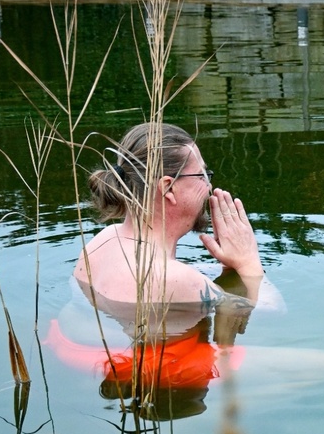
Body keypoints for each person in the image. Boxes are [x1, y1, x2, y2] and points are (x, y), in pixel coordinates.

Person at [73, 121, 265, 309]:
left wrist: (230, 267)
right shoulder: (176, 279)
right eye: (202, 175)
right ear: (168, 187)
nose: (209, 187)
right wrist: (248, 262)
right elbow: (270, 312)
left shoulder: (103, 241)